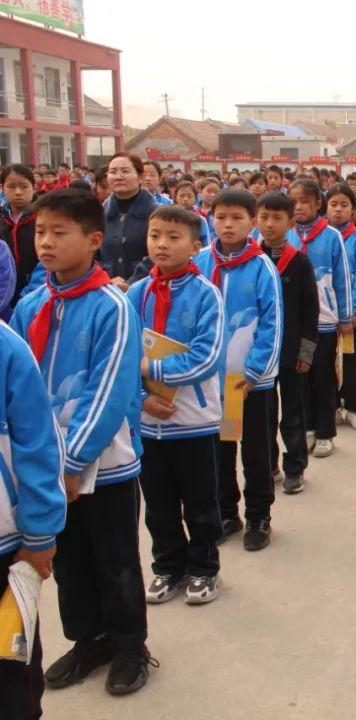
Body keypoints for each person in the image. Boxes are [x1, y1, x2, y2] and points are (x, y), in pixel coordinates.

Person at [12, 189, 153, 695]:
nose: (45, 242)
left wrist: (75, 460)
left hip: (104, 465)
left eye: (58, 232)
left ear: (94, 241)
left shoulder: (111, 306)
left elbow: (111, 388)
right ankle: (87, 639)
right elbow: (19, 390)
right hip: (45, 466)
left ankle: (129, 645)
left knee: (115, 558)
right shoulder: (30, 307)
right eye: (39, 232)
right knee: (67, 561)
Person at [126, 205, 225, 605]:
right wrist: (143, 399)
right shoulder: (136, 294)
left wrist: (153, 368)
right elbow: (119, 356)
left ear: (196, 245)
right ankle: (168, 566)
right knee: (159, 504)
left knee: (201, 502)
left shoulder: (207, 295)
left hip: (193, 420)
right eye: (155, 235)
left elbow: (206, 357)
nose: (161, 244)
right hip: (148, 423)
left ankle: (205, 569)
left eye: (173, 237)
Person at [193, 189, 281, 551]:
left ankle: (259, 515)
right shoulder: (199, 262)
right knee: (223, 448)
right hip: (214, 382)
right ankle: (228, 512)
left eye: (237, 218)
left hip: (250, 382)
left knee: (256, 452)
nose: (227, 225)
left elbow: (272, 323)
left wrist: (255, 372)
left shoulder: (262, 266)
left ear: (252, 222)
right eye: (221, 217)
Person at [0, 307, 66, 719]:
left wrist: (40, 536)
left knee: (10, 669)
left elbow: (39, 445)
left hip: (6, 549)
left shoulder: (7, 348)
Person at [286, 179, 353, 457]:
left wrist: (346, 316)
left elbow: (342, 279)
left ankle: (326, 432)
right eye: (295, 201)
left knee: (323, 376)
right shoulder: (285, 235)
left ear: (317, 204)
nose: (299, 207)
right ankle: (309, 426)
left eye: (305, 202)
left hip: (324, 322)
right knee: (300, 376)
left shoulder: (330, 236)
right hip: (296, 323)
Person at [257, 192, 318, 495]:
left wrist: (307, 352)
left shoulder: (299, 263)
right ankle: (268, 465)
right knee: (263, 414)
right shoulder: (253, 260)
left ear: (291, 223)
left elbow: (311, 312)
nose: (269, 224)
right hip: (259, 354)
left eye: (277, 218)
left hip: (292, 352)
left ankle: (295, 465)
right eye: (264, 217)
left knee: (293, 412)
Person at [325, 182, 356, 432]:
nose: (338, 210)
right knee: (328, 363)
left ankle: (353, 408)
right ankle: (332, 407)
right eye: (333, 205)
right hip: (327, 315)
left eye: (344, 205)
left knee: (351, 360)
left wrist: (352, 312)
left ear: (353, 211)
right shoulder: (323, 238)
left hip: (351, 316)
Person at [101, 153, 158, 289]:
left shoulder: (156, 214)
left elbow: (158, 254)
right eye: (113, 172)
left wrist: (131, 284)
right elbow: (90, 254)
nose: (118, 177)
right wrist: (106, 280)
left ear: (141, 177)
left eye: (125, 171)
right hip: (105, 289)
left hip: (147, 289)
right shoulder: (99, 214)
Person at [1, 163, 39, 300]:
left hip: (36, 295)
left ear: (33, 188)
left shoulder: (44, 218)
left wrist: (28, 297)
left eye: (24, 186)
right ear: (3, 189)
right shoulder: (2, 219)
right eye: (11, 187)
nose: (18, 192)